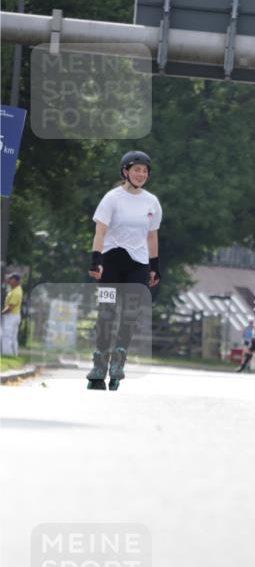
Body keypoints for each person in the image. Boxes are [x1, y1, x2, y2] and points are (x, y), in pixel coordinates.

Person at [87, 151, 162, 389]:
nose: (141, 174)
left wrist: (155, 267)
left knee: (130, 313)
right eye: (136, 170)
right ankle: (99, 363)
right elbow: (100, 231)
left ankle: (119, 360)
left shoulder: (152, 201)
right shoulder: (112, 198)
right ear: (125, 171)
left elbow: (152, 235)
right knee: (106, 313)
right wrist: (96, 260)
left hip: (138, 265)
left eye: (145, 171)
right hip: (110, 263)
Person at [1, 273, 23, 356]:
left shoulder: (16, 292)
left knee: (7, 336)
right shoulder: (15, 290)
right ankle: (14, 354)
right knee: (13, 337)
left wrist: (1, 313)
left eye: (10, 279)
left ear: (15, 281)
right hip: (14, 315)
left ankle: (7, 354)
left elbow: (10, 308)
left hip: (11, 316)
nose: (9, 280)